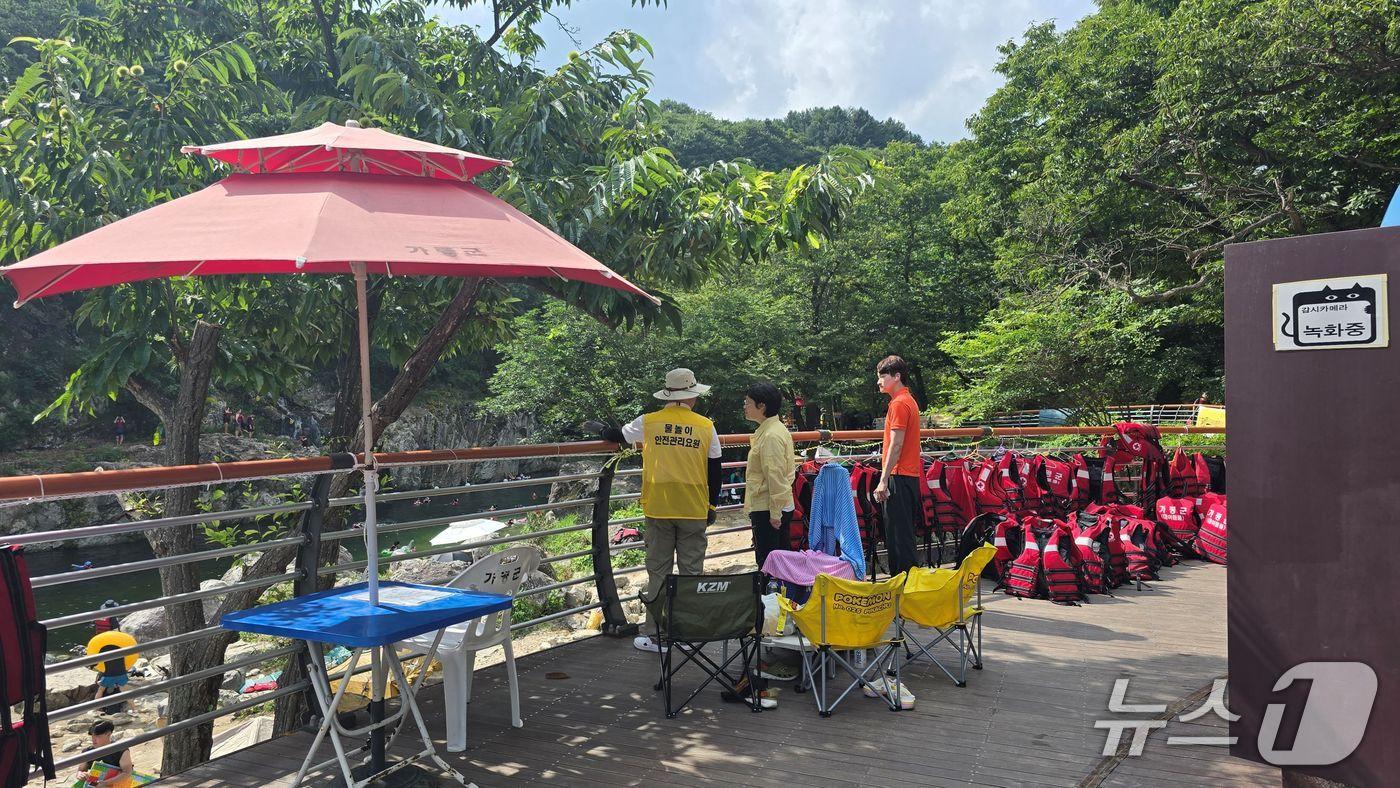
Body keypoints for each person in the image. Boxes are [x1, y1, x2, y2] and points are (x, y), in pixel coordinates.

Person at [598, 368, 723, 653]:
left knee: (658, 571)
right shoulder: (706, 426)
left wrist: (603, 431)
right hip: (693, 508)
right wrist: (712, 505)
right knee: (691, 572)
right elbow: (714, 469)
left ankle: (654, 635)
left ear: (667, 394)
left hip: (658, 506)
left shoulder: (650, 422)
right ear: (691, 396)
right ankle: (688, 632)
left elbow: (619, 435)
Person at [871, 355, 922, 577]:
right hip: (908, 476)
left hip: (898, 476)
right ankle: (909, 590)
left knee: (898, 538)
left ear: (897, 376)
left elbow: (896, 443)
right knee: (904, 535)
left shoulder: (899, 403)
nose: (879, 381)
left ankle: (903, 591)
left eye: (883, 376)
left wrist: (883, 479)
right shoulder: (908, 400)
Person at [741, 381, 794, 574]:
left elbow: (776, 476)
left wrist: (775, 513)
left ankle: (770, 602)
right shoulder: (773, 430)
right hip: (772, 505)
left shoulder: (770, 435)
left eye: (748, 402)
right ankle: (779, 600)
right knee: (779, 560)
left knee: (769, 564)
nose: (745, 406)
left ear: (761, 406)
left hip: (768, 507)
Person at [77, 719, 134, 787]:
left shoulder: (121, 750)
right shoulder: (87, 752)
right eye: (92, 736)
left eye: (98, 736)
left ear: (108, 734)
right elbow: (80, 770)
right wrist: (80, 774)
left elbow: (127, 772)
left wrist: (105, 783)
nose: (93, 739)